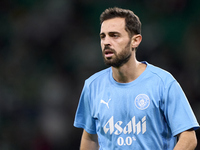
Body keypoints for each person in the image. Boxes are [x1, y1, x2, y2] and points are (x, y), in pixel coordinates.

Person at [73, 7, 199, 150]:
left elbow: (188, 138)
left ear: (135, 41)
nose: (106, 42)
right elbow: (90, 137)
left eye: (114, 35)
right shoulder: (92, 86)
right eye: (103, 36)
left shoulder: (163, 82)